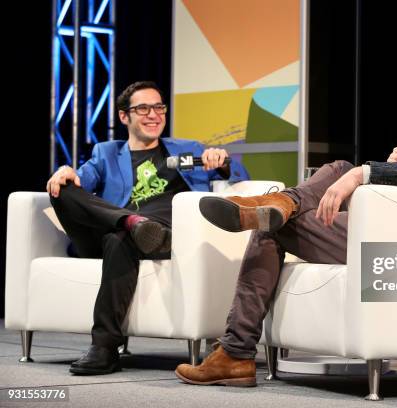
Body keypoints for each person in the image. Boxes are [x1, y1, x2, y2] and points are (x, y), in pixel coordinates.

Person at [175, 40, 397, 386]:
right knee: (314, 186)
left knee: (286, 215)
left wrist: (368, 173)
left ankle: (236, 352)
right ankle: (283, 206)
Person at [47, 81, 250, 375]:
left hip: (163, 236)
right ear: (123, 116)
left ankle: (104, 348)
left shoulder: (187, 149)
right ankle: (128, 221)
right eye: (143, 108)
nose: (153, 114)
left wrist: (222, 163)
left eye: (159, 107)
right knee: (62, 190)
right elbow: (82, 184)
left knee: (121, 239)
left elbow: (241, 177)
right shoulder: (106, 153)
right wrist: (66, 173)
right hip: (111, 234)